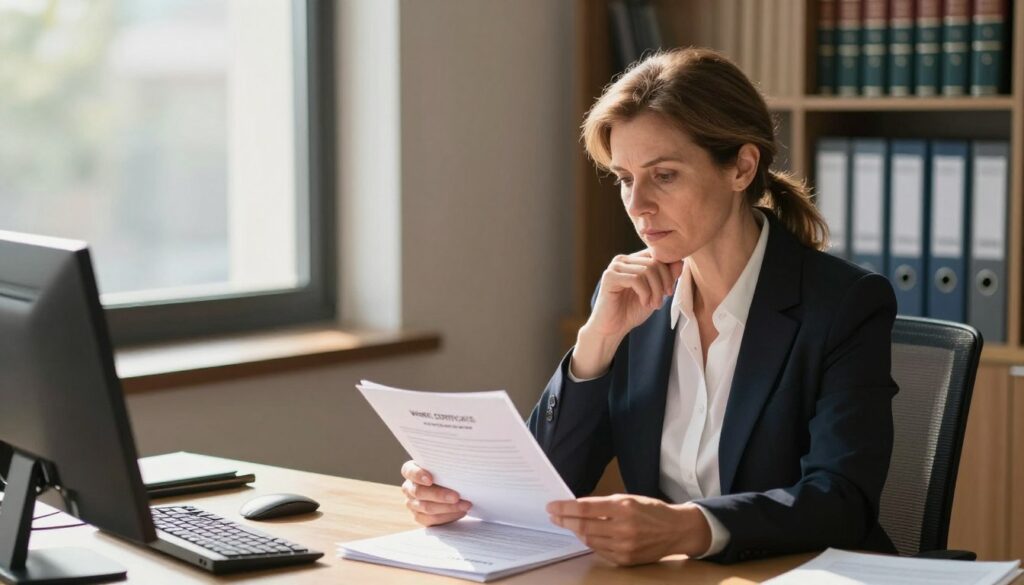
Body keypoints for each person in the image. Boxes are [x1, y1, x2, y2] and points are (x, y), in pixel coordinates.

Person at [399, 47, 898, 566]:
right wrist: (596, 343)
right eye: (624, 178)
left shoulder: (844, 304)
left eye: (664, 175)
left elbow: (841, 501)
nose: (637, 206)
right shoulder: (629, 300)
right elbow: (549, 484)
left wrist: (690, 528)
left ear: (742, 168)